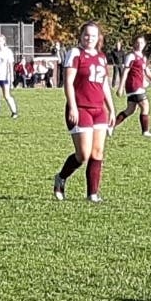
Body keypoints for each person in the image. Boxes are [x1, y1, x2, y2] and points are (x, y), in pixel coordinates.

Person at [52, 21, 115, 203]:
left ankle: (92, 194)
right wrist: (72, 105)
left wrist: (111, 108)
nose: (89, 39)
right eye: (86, 35)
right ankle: (61, 178)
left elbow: (104, 84)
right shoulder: (75, 54)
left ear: (98, 38)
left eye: (93, 36)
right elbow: (68, 82)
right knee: (83, 154)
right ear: (81, 36)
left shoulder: (102, 57)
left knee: (98, 152)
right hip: (81, 108)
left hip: (98, 109)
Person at [114, 36, 151, 137]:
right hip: (134, 85)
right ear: (134, 44)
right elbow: (125, 72)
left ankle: (111, 126)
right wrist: (121, 87)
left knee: (130, 110)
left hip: (139, 85)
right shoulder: (131, 56)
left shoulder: (143, 57)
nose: (139, 45)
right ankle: (145, 131)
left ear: (144, 44)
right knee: (145, 105)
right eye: (137, 43)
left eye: (141, 43)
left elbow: (147, 72)